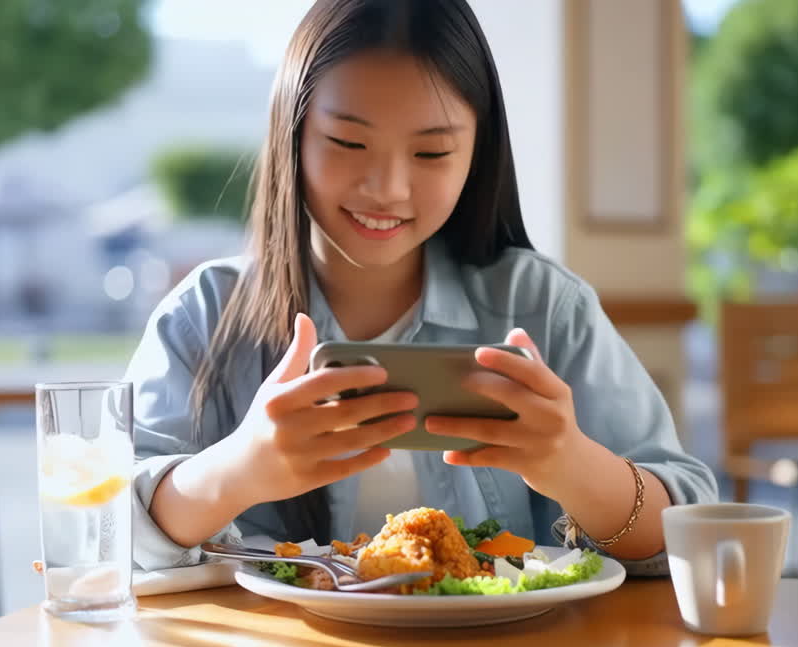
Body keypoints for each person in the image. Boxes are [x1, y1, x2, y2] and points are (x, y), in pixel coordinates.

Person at [123, 0, 716, 578]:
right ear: (292, 134)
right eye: (348, 143)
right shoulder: (202, 316)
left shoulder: (542, 306)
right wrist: (239, 470)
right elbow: (104, 523)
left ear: (477, 154)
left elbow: (687, 526)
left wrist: (572, 463)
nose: (388, 188)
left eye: (432, 151)